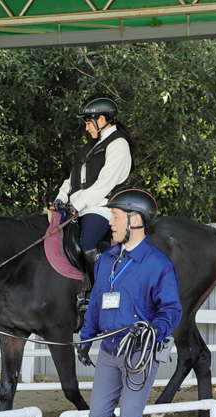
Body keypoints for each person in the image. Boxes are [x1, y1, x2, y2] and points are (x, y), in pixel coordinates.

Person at [75, 188, 182, 417]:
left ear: (136, 220)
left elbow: (172, 310)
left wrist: (155, 328)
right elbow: (97, 302)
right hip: (109, 349)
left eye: (117, 217)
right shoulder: (107, 258)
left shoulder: (158, 264)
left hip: (139, 353)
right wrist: (86, 337)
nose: (111, 222)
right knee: (98, 415)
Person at [53, 95, 137, 285]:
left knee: (87, 243)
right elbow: (72, 179)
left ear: (101, 119)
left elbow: (105, 182)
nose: (86, 128)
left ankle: (98, 290)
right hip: (78, 207)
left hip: (102, 207)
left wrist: (77, 204)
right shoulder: (90, 147)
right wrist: (59, 198)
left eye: (88, 122)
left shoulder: (118, 144)